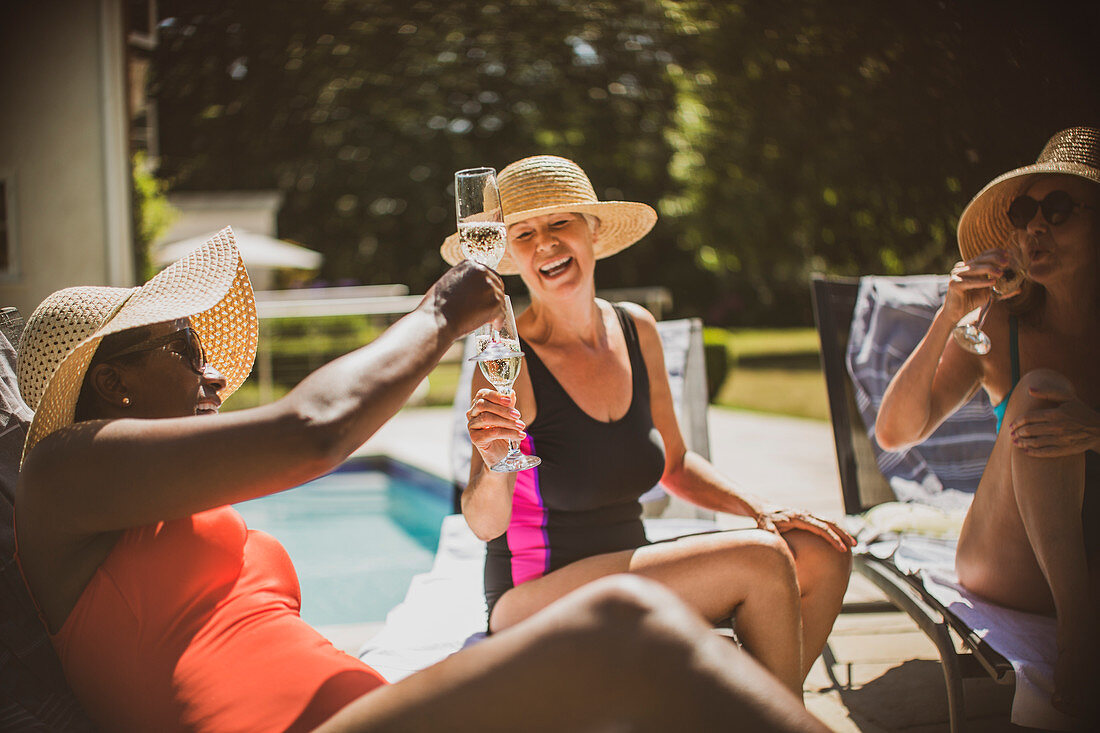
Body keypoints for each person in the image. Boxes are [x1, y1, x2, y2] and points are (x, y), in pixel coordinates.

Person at [14, 228, 828, 732]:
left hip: (369, 708)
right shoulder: (60, 475)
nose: (217, 368)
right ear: (112, 384)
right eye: (186, 350)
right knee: (626, 624)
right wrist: (442, 310)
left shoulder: (165, 500)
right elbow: (313, 430)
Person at [445, 155, 854, 697]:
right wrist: (496, 464)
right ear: (509, 255)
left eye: (560, 223)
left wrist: (761, 511)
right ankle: (777, 716)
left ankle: (753, 711)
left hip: (635, 569)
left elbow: (677, 466)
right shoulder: (506, 358)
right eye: (524, 233)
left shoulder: (636, 328)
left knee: (821, 552)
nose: (545, 243)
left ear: (593, 231)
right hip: (535, 594)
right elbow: (483, 522)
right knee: (758, 560)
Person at [875, 127, 1100, 719]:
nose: (1033, 228)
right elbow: (895, 433)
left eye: (1057, 209)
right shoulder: (1001, 328)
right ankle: (1079, 637)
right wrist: (949, 317)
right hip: (1012, 559)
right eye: (1025, 212)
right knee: (1040, 393)